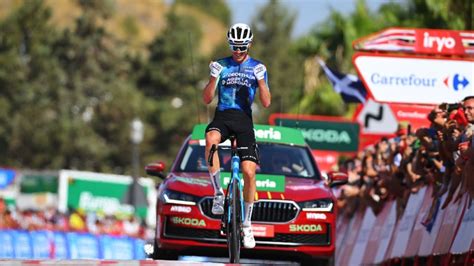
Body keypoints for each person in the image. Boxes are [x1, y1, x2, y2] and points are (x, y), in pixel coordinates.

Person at [202, 23, 271, 249]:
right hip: (222, 115)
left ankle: (248, 224)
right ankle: (218, 193)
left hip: (243, 120)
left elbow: (267, 102)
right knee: (210, 140)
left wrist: (261, 81)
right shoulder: (221, 65)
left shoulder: (257, 67)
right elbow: (206, 99)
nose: (238, 51)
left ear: (249, 44)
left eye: (242, 47)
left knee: (249, 172)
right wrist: (213, 79)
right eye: (234, 46)